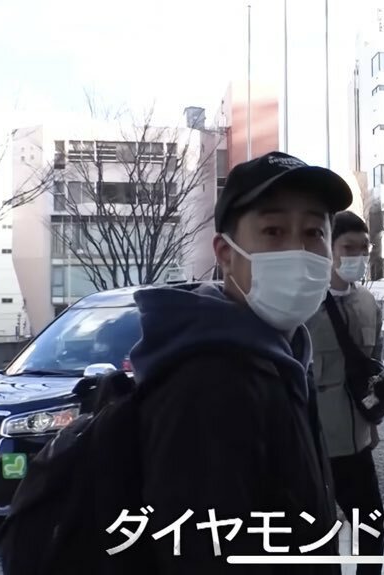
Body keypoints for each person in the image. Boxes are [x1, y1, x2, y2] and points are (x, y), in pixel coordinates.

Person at [128, 151, 349, 573]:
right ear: (225, 253)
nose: (298, 249)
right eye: (273, 231)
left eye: (313, 232)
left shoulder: (284, 361)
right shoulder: (208, 382)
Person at [305, 211, 384, 574]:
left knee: (372, 528)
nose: (357, 256)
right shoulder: (303, 304)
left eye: (363, 249)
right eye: (348, 248)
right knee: (320, 539)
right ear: (329, 249)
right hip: (316, 444)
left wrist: (374, 424)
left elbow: (372, 367)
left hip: (357, 444)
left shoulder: (368, 303)